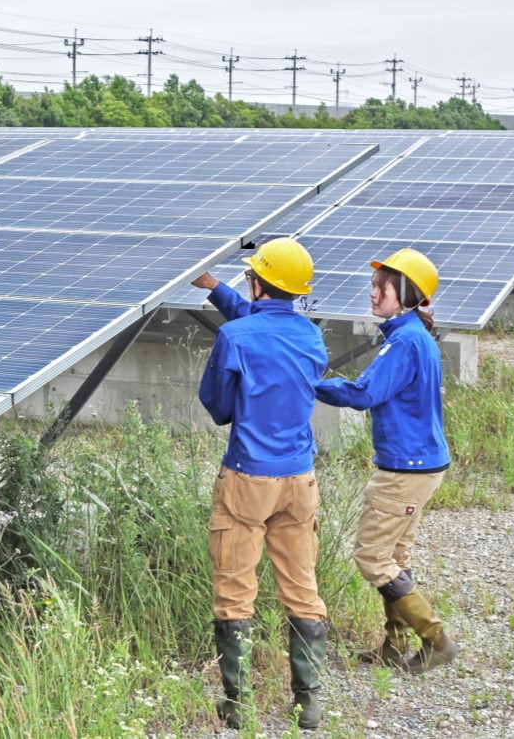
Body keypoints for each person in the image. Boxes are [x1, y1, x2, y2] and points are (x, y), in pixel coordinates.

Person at [192, 237, 329, 731]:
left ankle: (238, 703)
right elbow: (267, 325)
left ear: (254, 282)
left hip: (248, 478)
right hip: (299, 479)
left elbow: (220, 408)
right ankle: (308, 703)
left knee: (234, 589)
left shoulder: (236, 339)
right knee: (302, 587)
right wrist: (213, 288)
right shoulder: (313, 338)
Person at [314, 248, 459, 674]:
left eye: (384, 285)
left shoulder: (406, 341)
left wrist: (309, 383)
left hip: (405, 469)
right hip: (418, 464)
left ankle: (436, 641)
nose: (373, 290)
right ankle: (395, 646)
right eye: (375, 283)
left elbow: (363, 394)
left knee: (372, 558)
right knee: (395, 555)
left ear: (408, 293)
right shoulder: (412, 336)